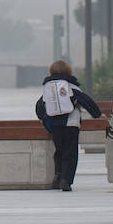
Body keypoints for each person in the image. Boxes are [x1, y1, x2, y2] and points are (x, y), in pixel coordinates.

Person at [34, 59, 102, 192]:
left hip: (54, 125)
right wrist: (97, 115)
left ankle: (57, 178)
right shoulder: (71, 86)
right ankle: (66, 180)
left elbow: (40, 105)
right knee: (70, 153)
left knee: (59, 151)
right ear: (69, 71)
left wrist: (42, 118)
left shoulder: (49, 87)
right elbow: (86, 101)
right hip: (71, 124)